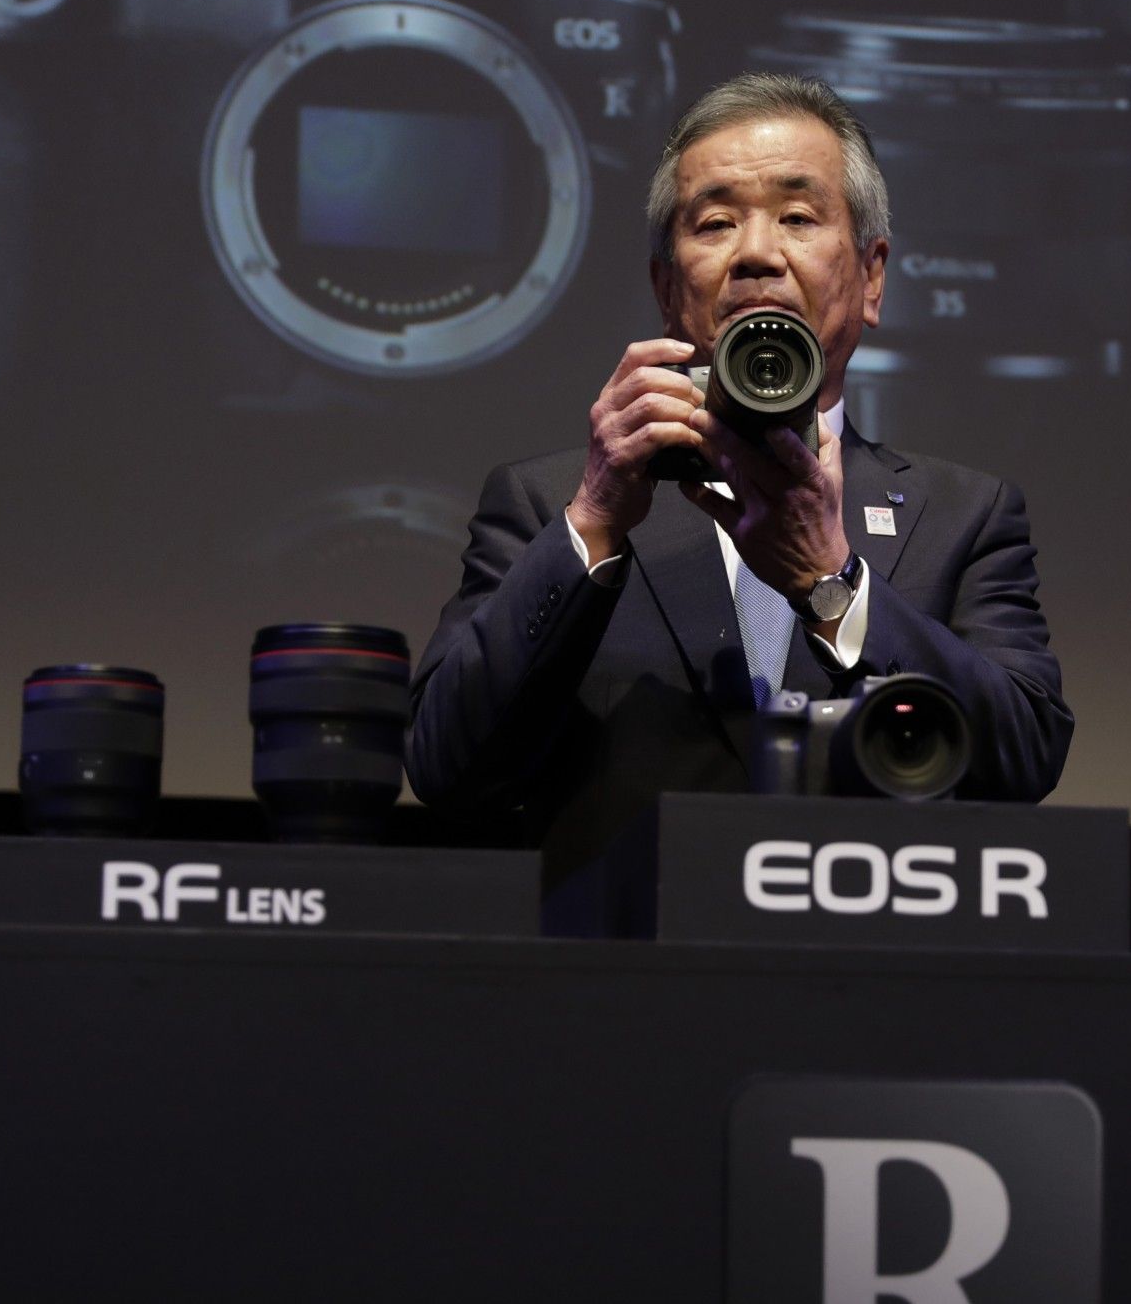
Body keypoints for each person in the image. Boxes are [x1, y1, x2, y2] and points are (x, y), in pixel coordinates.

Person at [406, 73, 1072, 908]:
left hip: (871, 990)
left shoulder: (964, 514)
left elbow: (1023, 758)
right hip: (623, 991)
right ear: (664, 286)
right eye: (714, 223)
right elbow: (444, 766)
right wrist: (596, 518)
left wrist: (833, 584)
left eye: (798, 217)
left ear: (871, 279)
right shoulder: (552, 504)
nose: (756, 252)